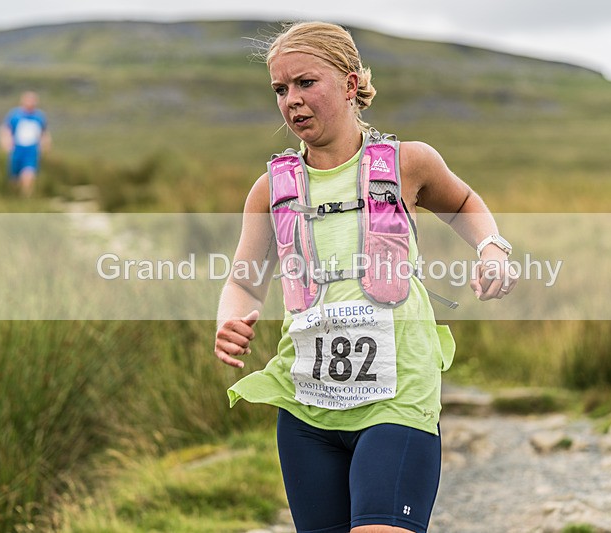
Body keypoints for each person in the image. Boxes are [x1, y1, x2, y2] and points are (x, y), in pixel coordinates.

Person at [214, 21, 515, 533]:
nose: (292, 101)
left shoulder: (407, 163)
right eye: (280, 90)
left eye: (306, 83)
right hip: (307, 409)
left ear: (351, 85)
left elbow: (465, 202)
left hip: (398, 397)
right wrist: (230, 321)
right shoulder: (270, 190)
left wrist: (491, 248)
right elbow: (243, 282)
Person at [0, 91, 51, 197]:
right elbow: (5, 130)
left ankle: (26, 196)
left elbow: (44, 133)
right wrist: (5, 143)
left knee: (29, 174)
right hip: (17, 148)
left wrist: (45, 145)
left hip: (32, 149)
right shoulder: (15, 115)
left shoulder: (39, 116)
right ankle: (14, 196)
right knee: (14, 177)